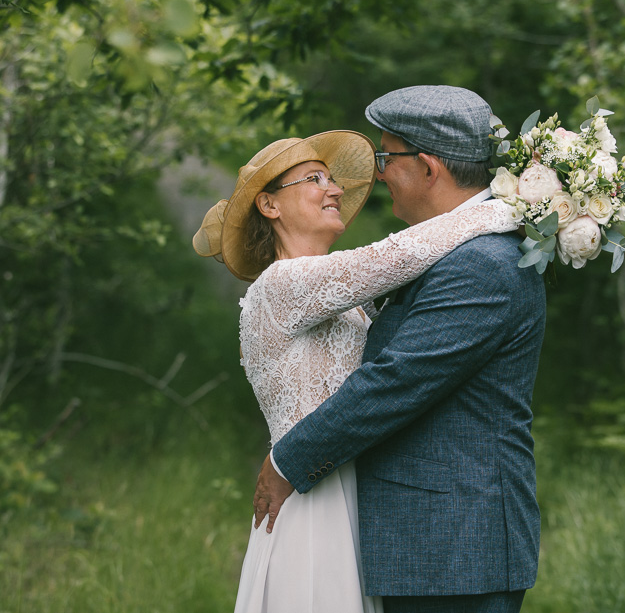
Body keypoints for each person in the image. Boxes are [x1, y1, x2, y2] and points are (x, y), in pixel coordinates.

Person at [192, 121, 517, 613]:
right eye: (315, 180)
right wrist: (506, 207)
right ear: (269, 204)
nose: (335, 189)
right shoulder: (283, 284)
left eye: (333, 180)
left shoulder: (347, 304)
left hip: (355, 497)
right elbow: (397, 254)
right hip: (311, 500)